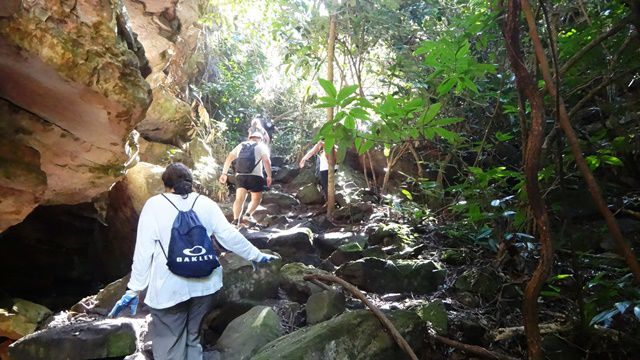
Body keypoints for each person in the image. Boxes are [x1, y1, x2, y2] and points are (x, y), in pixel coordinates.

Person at [109, 163, 277, 360]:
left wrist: (134, 289)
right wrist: (255, 255)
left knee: (169, 343)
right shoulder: (205, 203)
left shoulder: (154, 205)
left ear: (166, 184)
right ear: (191, 182)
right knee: (194, 336)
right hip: (206, 287)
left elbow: (143, 252)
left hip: (169, 289)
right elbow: (229, 235)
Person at [219, 132, 272, 225]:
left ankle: (235, 220)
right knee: (256, 199)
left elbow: (229, 158)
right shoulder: (261, 146)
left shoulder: (241, 145)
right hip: (256, 177)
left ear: (249, 138)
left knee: (239, 199)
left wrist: (224, 173)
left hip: (241, 176)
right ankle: (248, 214)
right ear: (261, 139)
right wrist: (269, 176)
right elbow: (266, 161)